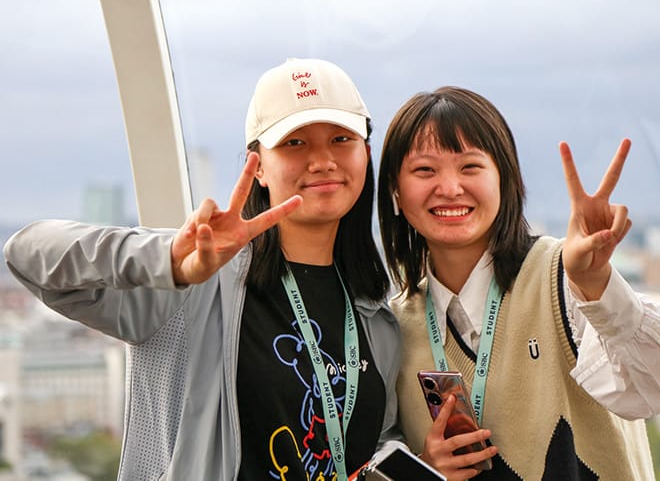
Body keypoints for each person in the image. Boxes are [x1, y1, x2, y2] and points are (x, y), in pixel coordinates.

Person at [4, 58, 403, 481]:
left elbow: (372, 442)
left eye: (341, 138)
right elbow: (27, 254)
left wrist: (410, 457)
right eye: (294, 143)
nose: (323, 160)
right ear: (259, 166)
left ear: (366, 153)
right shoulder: (195, 284)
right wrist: (167, 262)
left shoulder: (374, 313)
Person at [376, 86, 660, 480]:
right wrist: (425, 470)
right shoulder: (392, 326)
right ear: (394, 189)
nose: (449, 188)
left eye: (470, 167)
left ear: (505, 179)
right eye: (425, 170)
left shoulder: (562, 278)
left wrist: (596, 283)